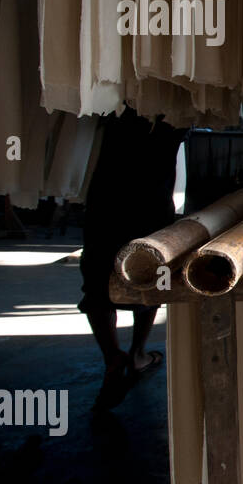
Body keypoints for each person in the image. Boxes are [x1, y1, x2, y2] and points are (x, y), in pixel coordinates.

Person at [80, 110, 187, 411]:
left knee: (98, 271)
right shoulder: (174, 105)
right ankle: (137, 352)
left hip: (108, 190)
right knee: (148, 266)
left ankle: (112, 355)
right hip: (151, 193)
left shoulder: (121, 104)